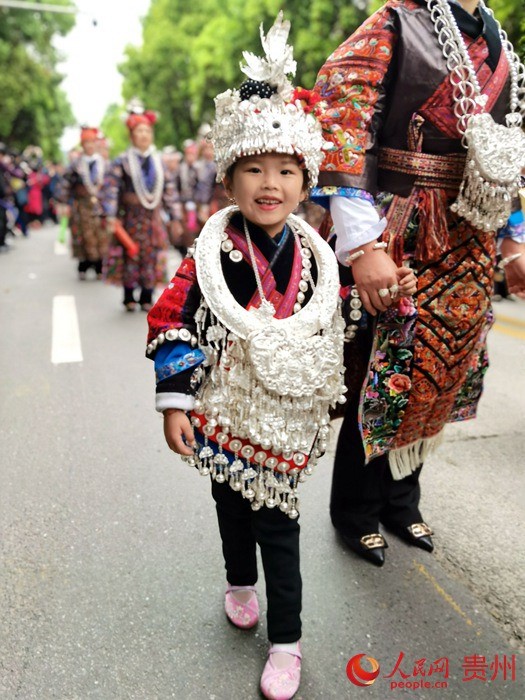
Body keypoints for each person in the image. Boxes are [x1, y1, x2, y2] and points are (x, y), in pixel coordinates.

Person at [146, 14, 407, 699]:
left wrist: (384, 297)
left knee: (278, 524)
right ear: (229, 182)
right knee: (229, 505)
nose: (270, 184)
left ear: (304, 180)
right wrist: (175, 400)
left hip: (286, 420)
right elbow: (173, 314)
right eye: (254, 170)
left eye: (286, 171)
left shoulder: (316, 255)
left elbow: (346, 303)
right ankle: (237, 581)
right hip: (223, 410)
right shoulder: (211, 252)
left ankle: (286, 642)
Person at [312, 0, 525, 566]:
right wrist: (363, 245)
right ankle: (355, 509)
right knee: (388, 365)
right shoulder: (395, 21)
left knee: (444, 363)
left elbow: (503, 152)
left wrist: (512, 243)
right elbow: (343, 121)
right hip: (400, 226)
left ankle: (402, 498)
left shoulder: (499, 40)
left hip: (470, 232)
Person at [101, 102, 180, 311]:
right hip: (129, 217)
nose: (144, 135)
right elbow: (111, 189)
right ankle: (128, 296)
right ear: (132, 135)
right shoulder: (122, 161)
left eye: (147, 131)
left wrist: (175, 216)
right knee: (130, 254)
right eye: (139, 131)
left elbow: (169, 190)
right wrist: (110, 215)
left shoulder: (159, 162)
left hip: (152, 217)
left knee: (152, 255)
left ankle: (147, 295)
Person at [57, 127, 108, 279]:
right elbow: (65, 184)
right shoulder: (75, 164)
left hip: (99, 204)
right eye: (86, 142)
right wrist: (64, 203)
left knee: (101, 235)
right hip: (81, 205)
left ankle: (99, 267)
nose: (90, 146)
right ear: (82, 144)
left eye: (92, 142)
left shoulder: (104, 163)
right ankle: (83, 266)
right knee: (82, 235)